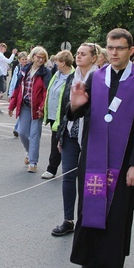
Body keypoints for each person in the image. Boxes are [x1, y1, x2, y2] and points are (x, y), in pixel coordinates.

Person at [66, 28, 134, 268]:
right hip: (93, 157)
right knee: (88, 206)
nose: (114, 52)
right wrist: (74, 105)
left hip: (124, 160)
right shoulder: (96, 79)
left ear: (131, 50)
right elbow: (76, 113)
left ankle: (110, 263)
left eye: (120, 48)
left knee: (117, 212)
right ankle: (88, 257)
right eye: (111, 47)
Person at [51, 43, 98, 237]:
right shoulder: (72, 77)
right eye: (77, 53)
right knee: (68, 176)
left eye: (83, 54)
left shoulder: (100, 78)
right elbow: (64, 108)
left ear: (94, 57)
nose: (78, 56)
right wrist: (61, 134)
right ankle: (68, 220)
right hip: (70, 133)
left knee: (89, 179)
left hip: (90, 134)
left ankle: (87, 220)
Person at [9, 46, 51, 173]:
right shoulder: (24, 70)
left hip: (37, 108)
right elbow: (17, 89)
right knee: (21, 132)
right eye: (38, 57)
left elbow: (46, 92)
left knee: (34, 135)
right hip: (25, 106)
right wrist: (12, 105)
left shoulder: (45, 72)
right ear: (33, 57)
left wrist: (42, 107)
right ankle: (29, 152)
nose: (40, 59)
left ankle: (33, 162)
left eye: (43, 58)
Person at [42, 50, 74, 179]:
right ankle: (61, 167)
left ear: (64, 63)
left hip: (62, 115)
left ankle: (52, 169)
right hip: (52, 114)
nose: (55, 63)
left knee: (57, 141)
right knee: (57, 141)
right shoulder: (57, 74)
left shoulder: (72, 76)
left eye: (57, 61)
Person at [8, 51, 28, 138]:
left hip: (24, 92)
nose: (24, 61)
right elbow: (13, 80)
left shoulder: (28, 69)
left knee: (22, 111)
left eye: (25, 59)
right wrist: (10, 93)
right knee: (21, 111)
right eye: (22, 59)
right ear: (19, 60)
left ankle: (17, 128)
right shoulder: (17, 68)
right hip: (17, 90)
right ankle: (18, 128)